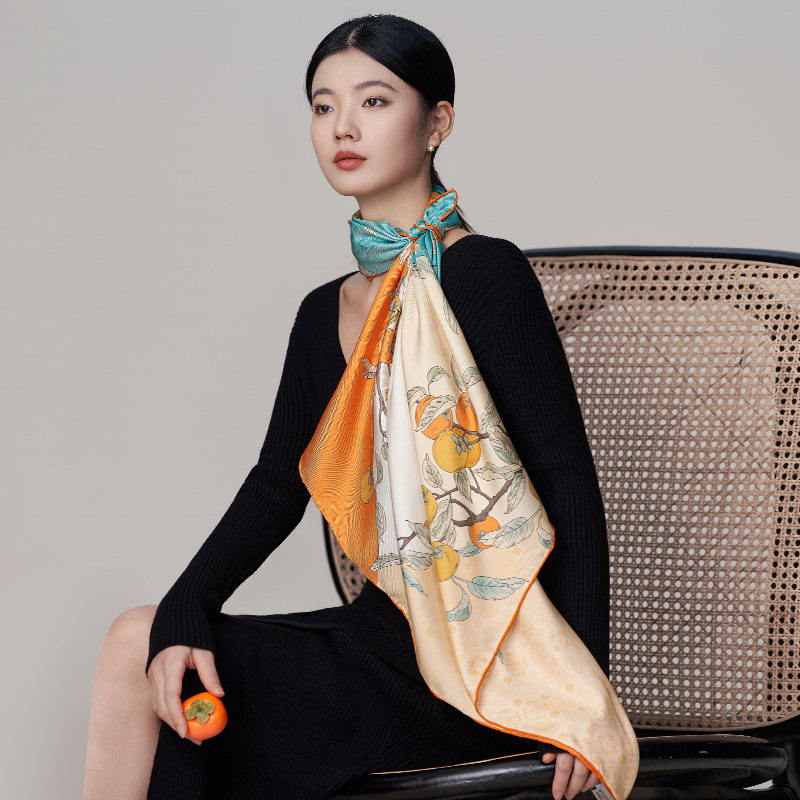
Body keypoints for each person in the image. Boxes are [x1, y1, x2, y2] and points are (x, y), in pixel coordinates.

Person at [83, 14, 612, 800]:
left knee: (173, 672)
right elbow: (276, 486)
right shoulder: (322, 313)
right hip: (381, 643)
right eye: (323, 106)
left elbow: (567, 482)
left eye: (373, 100)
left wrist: (581, 701)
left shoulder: (486, 276)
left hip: (487, 665)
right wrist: (185, 606)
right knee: (142, 639)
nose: (343, 128)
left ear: (437, 122)